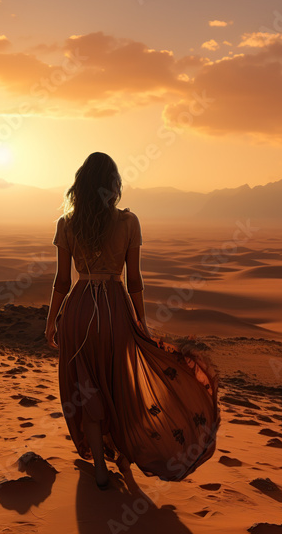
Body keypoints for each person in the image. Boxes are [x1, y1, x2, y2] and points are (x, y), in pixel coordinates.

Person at [44, 152, 220, 490]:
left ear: (80, 185)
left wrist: (51, 321)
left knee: (87, 389)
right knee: (121, 385)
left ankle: (99, 467)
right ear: (113, 186)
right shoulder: (128, 223)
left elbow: (62, 282)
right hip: (113, 309)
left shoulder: (67, 224)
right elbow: (134, 280)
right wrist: (141, 322)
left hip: (79, 312)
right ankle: (123, 455)